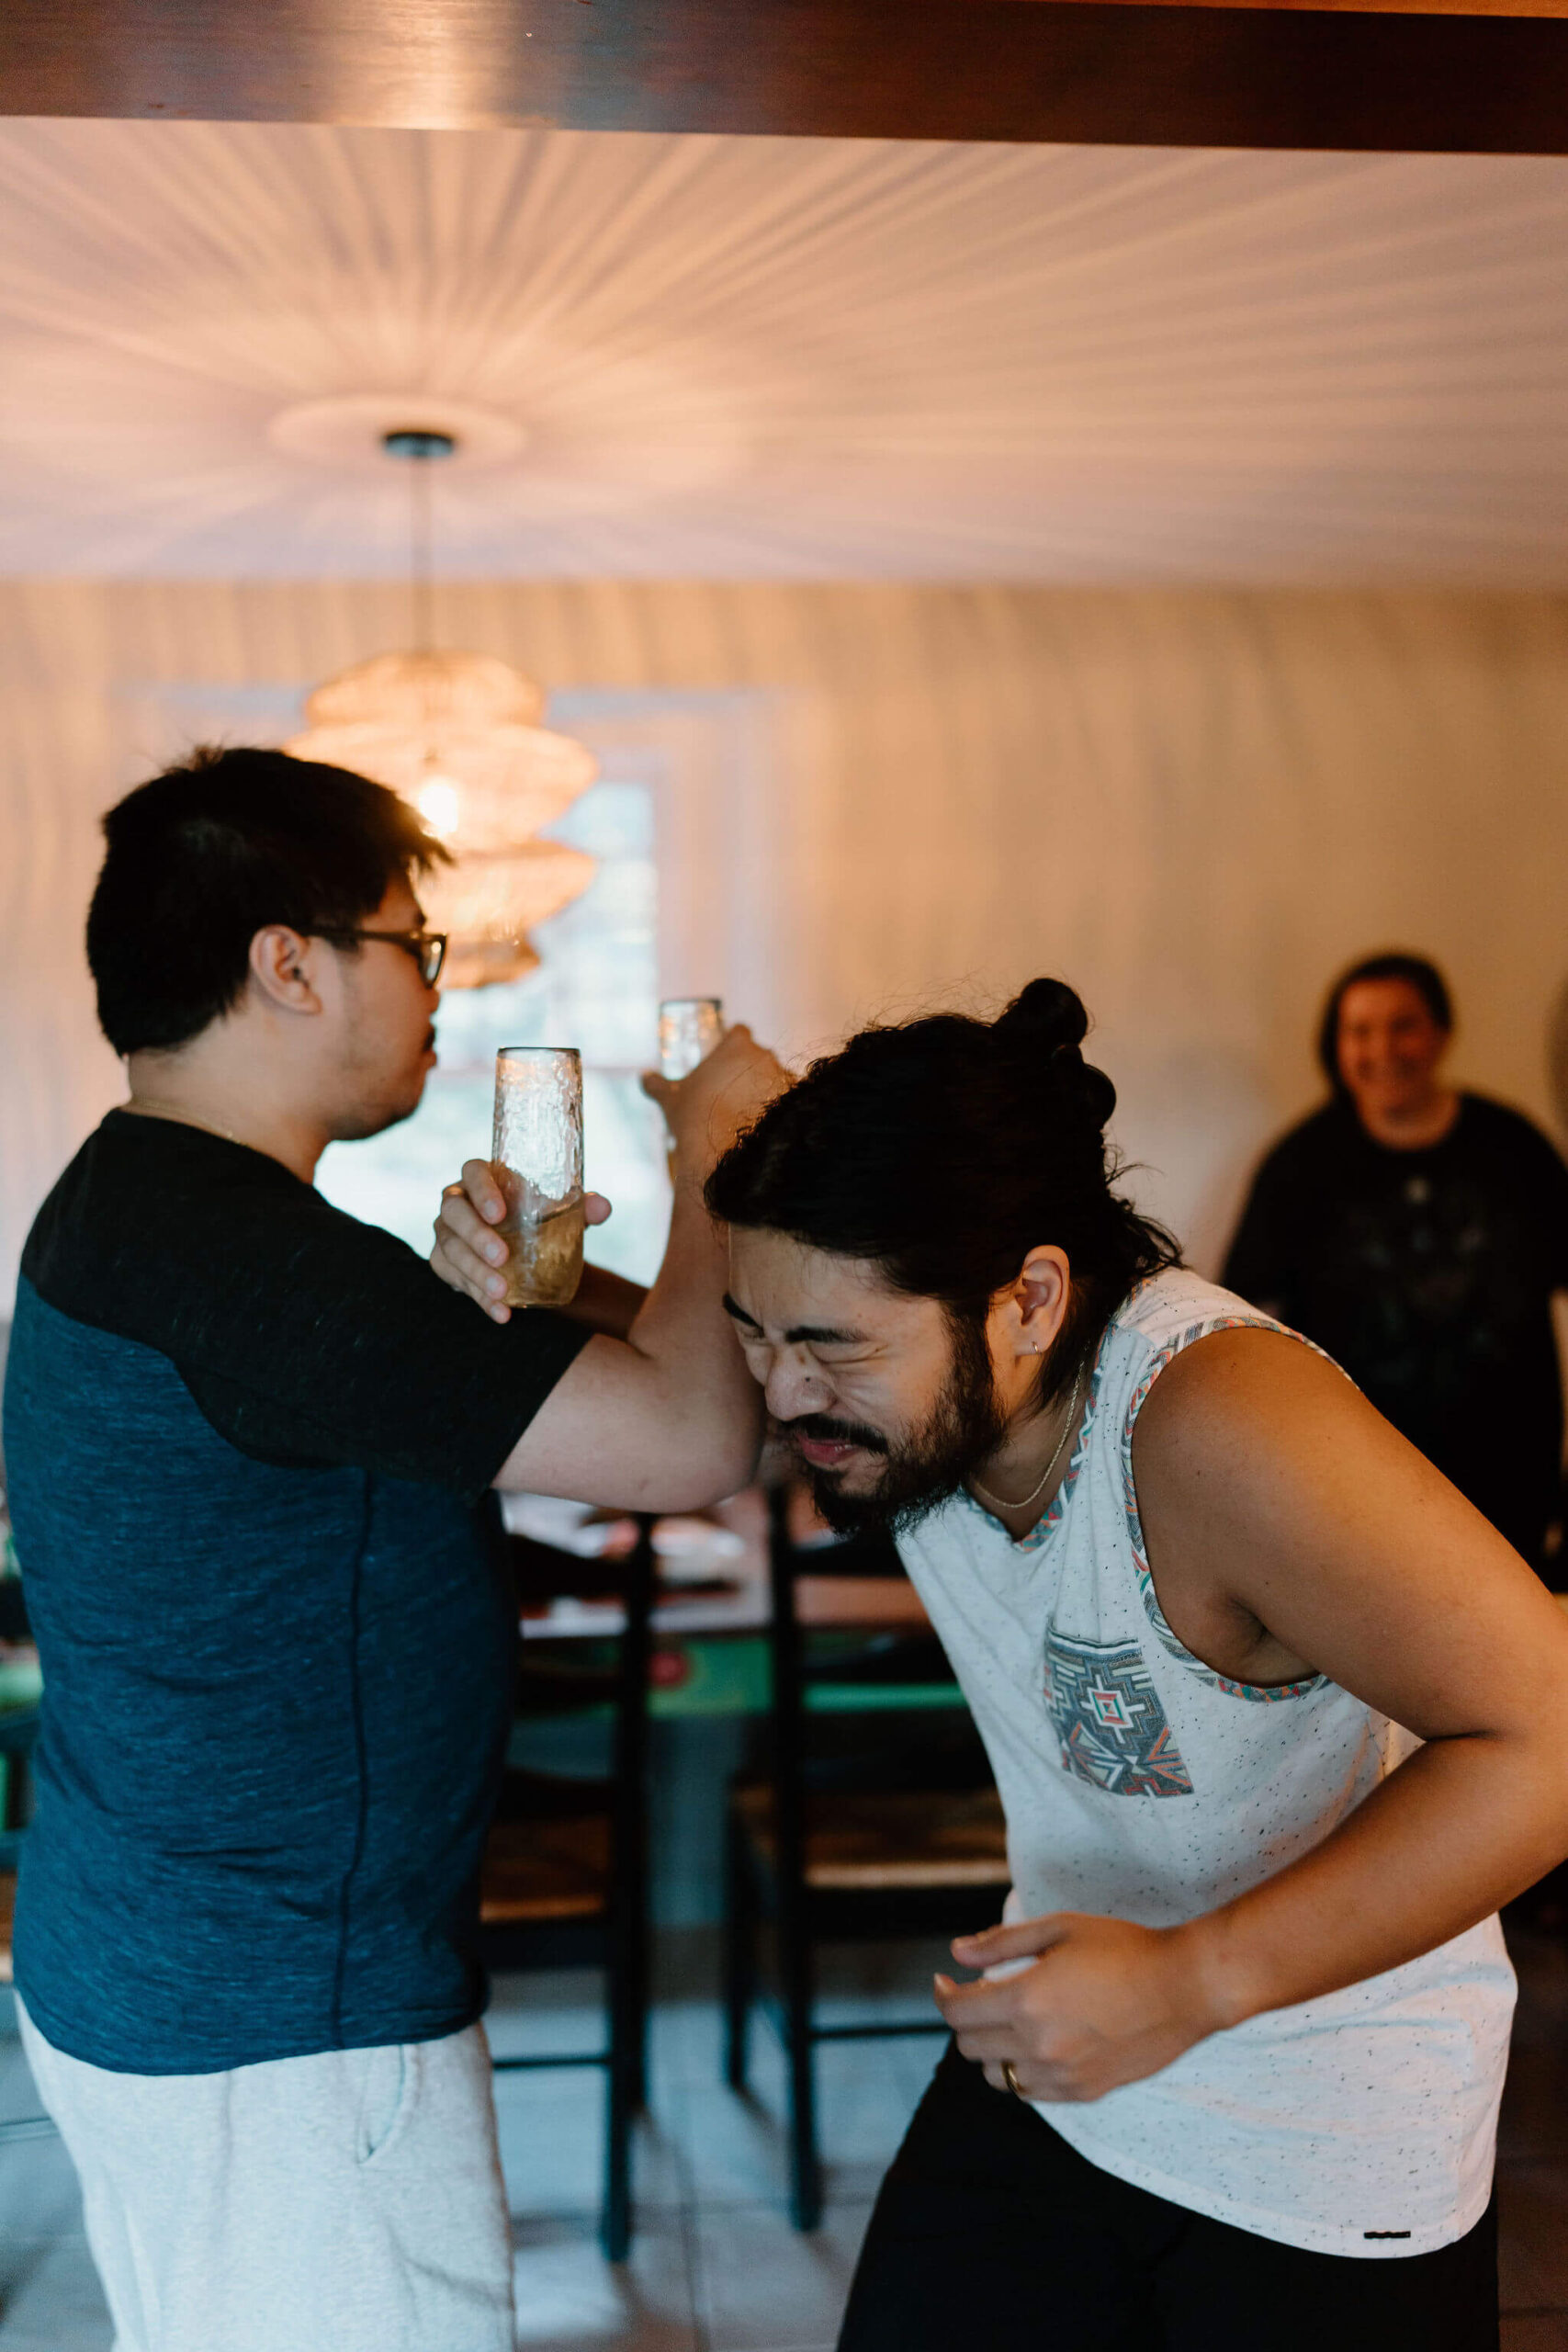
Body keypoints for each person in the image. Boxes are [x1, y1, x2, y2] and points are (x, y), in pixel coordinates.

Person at [464, 975, 1568, 2351]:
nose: (780, 1391)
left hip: (1317, 2134)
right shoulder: (910, 1394)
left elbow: (1548, 1735)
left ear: (1031, 1297)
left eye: (826, 1346)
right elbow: (711, 1394)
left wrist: (1190, 1982)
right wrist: (533, 1291)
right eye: (755, 1334)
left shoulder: (1215, 1420)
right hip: (1056, 2052)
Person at [1, 746, 778, 2352]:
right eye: (411, 947)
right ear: (287, 964)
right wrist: (721, 1150)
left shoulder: (146, 1210)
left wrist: (552, 1291)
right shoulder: (249, 1261)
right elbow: (697, 1446)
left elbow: (666, 1400)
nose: (437, 990)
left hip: (167, 1966)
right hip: (282, 2031)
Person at [1224, 950, 1568, 1574]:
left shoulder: (1513, 1149)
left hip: (1508, 1476)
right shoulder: (1301, 1165)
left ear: (1439, 1034)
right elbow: (1244, 1323)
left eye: (1401, 1025)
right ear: (1336, 1045)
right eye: (1359, 1030)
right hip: (1354, 1487)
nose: (1381, 1049)